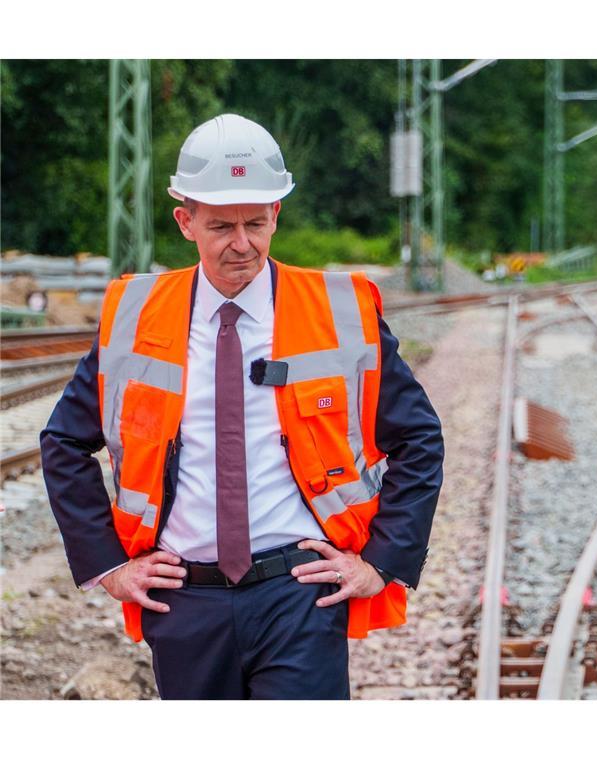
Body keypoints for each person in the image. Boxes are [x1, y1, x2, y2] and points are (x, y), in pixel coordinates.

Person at [40, 113, 444, 700]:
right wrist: (108, 566)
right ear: (186, 221)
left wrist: (379, 563)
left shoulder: (341, 312)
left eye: (256, 223)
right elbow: (64, 441)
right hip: (185, 600)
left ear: (276, 214)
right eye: (222, 226)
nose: (242, 243)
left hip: (299, 595)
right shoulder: (135, 317)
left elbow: (419, 439)